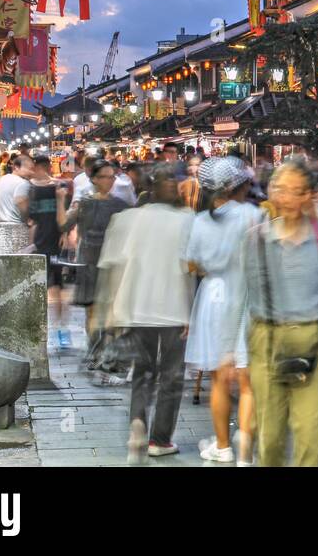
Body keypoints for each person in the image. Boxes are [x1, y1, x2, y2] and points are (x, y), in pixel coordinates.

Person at [225, 162, 318, 467]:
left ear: (309, 196)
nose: (288, 198)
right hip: (266, 339)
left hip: (314, 337)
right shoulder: (255, 239)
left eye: (298, 191)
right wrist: (235, 352)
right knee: (269, 437)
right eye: (281, 189)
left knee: (310, 435)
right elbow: (240, 297)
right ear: (271, 192)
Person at [95, 167, 195, 463]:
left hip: (137, 307)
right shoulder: (187, 219)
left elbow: (116, 264)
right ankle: (160, 439)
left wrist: (112, 311)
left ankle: (138, 424)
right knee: (172, 377)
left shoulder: (131, 219)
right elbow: (189, 266)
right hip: (175, 308)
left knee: (143, 373)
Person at [185, 157, 262, 464]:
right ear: (239, 185)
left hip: (213, 295)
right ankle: (245, 451)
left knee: (219, 378)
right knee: (247, 381)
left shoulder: (201, 220)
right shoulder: (252, 214)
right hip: (247, 295)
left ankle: (222, 445)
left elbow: (191, 264)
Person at [58, 161, 132, 373]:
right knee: (92, 311)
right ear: (95, 179)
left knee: (111, 310)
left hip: (112, 261)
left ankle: (109, 353)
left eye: (112, 176)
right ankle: (94, 351)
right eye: (105, 176)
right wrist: (60, 200)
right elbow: (64, 224)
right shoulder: (85, 204)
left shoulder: (120, 205)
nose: (110, 180)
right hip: (90, 260)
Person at [28, 156, 71, 348]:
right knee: (48, 288)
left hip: (52, 241)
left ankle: (59, 329)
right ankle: (54, 328)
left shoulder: (56, 187)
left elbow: (33, 221)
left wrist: (65, 234)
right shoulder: (34, 188)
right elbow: (32, 220)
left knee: (56, 287)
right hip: (46, 241)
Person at [0, 155, 35, 255]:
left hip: (2, 229)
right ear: (16, 167)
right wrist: (29, 220)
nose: (31, 172)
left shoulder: (2, 180)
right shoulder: (23, 183)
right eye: (28, 168)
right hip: (18, 230)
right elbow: (22, 204)